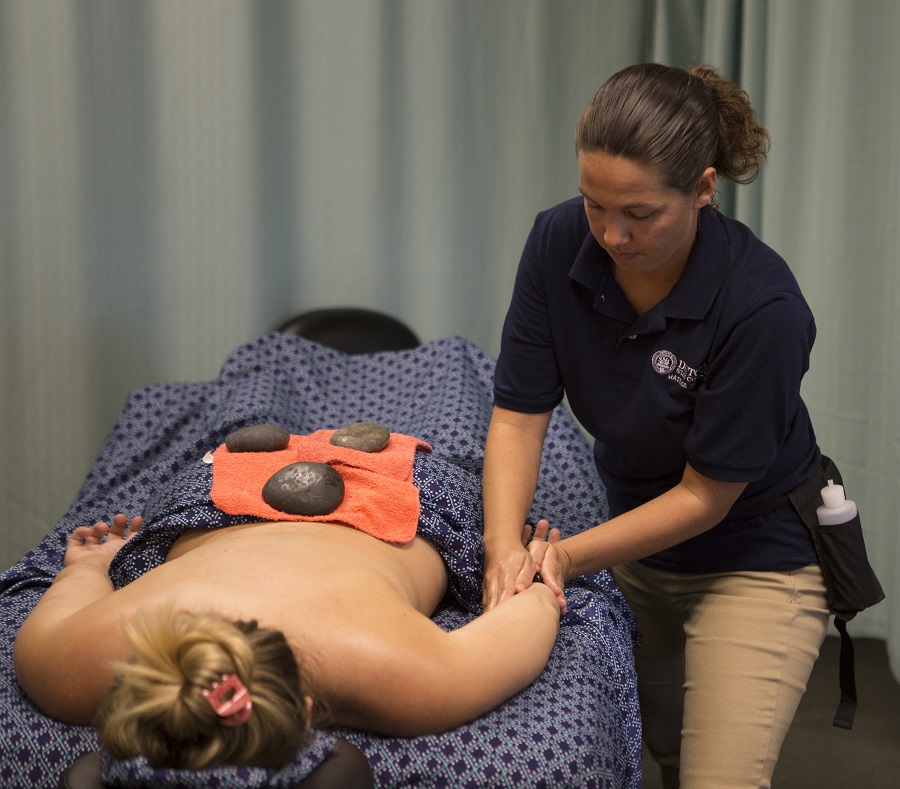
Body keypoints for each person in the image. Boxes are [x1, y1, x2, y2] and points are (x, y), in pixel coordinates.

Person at [482, 62, 830, 789]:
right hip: (641, 546)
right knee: (661, 750)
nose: (612, 234)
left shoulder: (763, 310)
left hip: (756, 561)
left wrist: (564, 558)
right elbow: (518, 417)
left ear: (703, 189)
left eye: (641, 214)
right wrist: (500, 547)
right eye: (594, 204)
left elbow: (707, 496)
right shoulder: (556, 243)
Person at [14, 441, 560, 773]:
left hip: (393, 502)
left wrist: (535, 572)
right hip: (212, 498)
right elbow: (75, 587)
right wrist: (88, 569)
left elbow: (529, 603)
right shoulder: (74, 664)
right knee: (268, 444)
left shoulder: (411, 678)